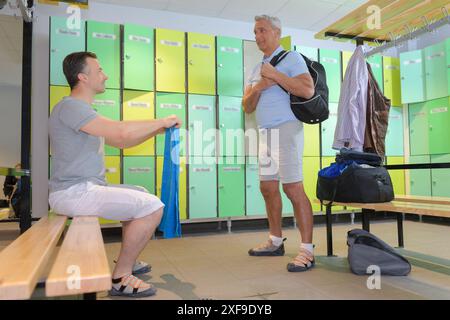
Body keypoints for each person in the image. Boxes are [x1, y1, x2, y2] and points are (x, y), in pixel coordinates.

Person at [48, 51, 182, 297]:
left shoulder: (83, 111)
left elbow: (121, 142)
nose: (105, 75)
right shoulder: (71, 107)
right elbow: (120, 133)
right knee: (152, 206)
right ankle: (121, 276)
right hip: (73, 192)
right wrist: (161, 121)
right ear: (83, 77)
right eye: (99, 70)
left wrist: (157, 131)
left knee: (140, 194)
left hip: (83, 189)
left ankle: (127, 258)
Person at [242, 15, 316, 272]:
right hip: (264, 133)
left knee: (293, 189)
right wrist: (260, 87)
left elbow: (307, 90)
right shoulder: (255, 68)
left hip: (286, 129)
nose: (258, 36)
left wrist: (276, 76)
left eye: (262, 30)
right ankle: (275, 241)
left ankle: (307, 251)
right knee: (267, 187)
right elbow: (247, 107)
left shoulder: (292, 58)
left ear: (276, 32)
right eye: (255, 32)